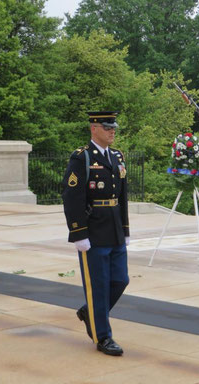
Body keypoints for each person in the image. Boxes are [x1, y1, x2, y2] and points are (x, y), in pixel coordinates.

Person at [62, 111, 130, 356]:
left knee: (121, 280)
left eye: (113, 127)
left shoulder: (117, 156)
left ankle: (89, 311)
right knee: (99, 285)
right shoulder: (82, 158)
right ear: (94, 128)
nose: (112, 130)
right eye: (107, 126)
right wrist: (78, 233)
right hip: (93, 231)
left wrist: (125, 228)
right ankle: (103, 337)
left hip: (114, 229)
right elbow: (72, 198)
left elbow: (122, 197)